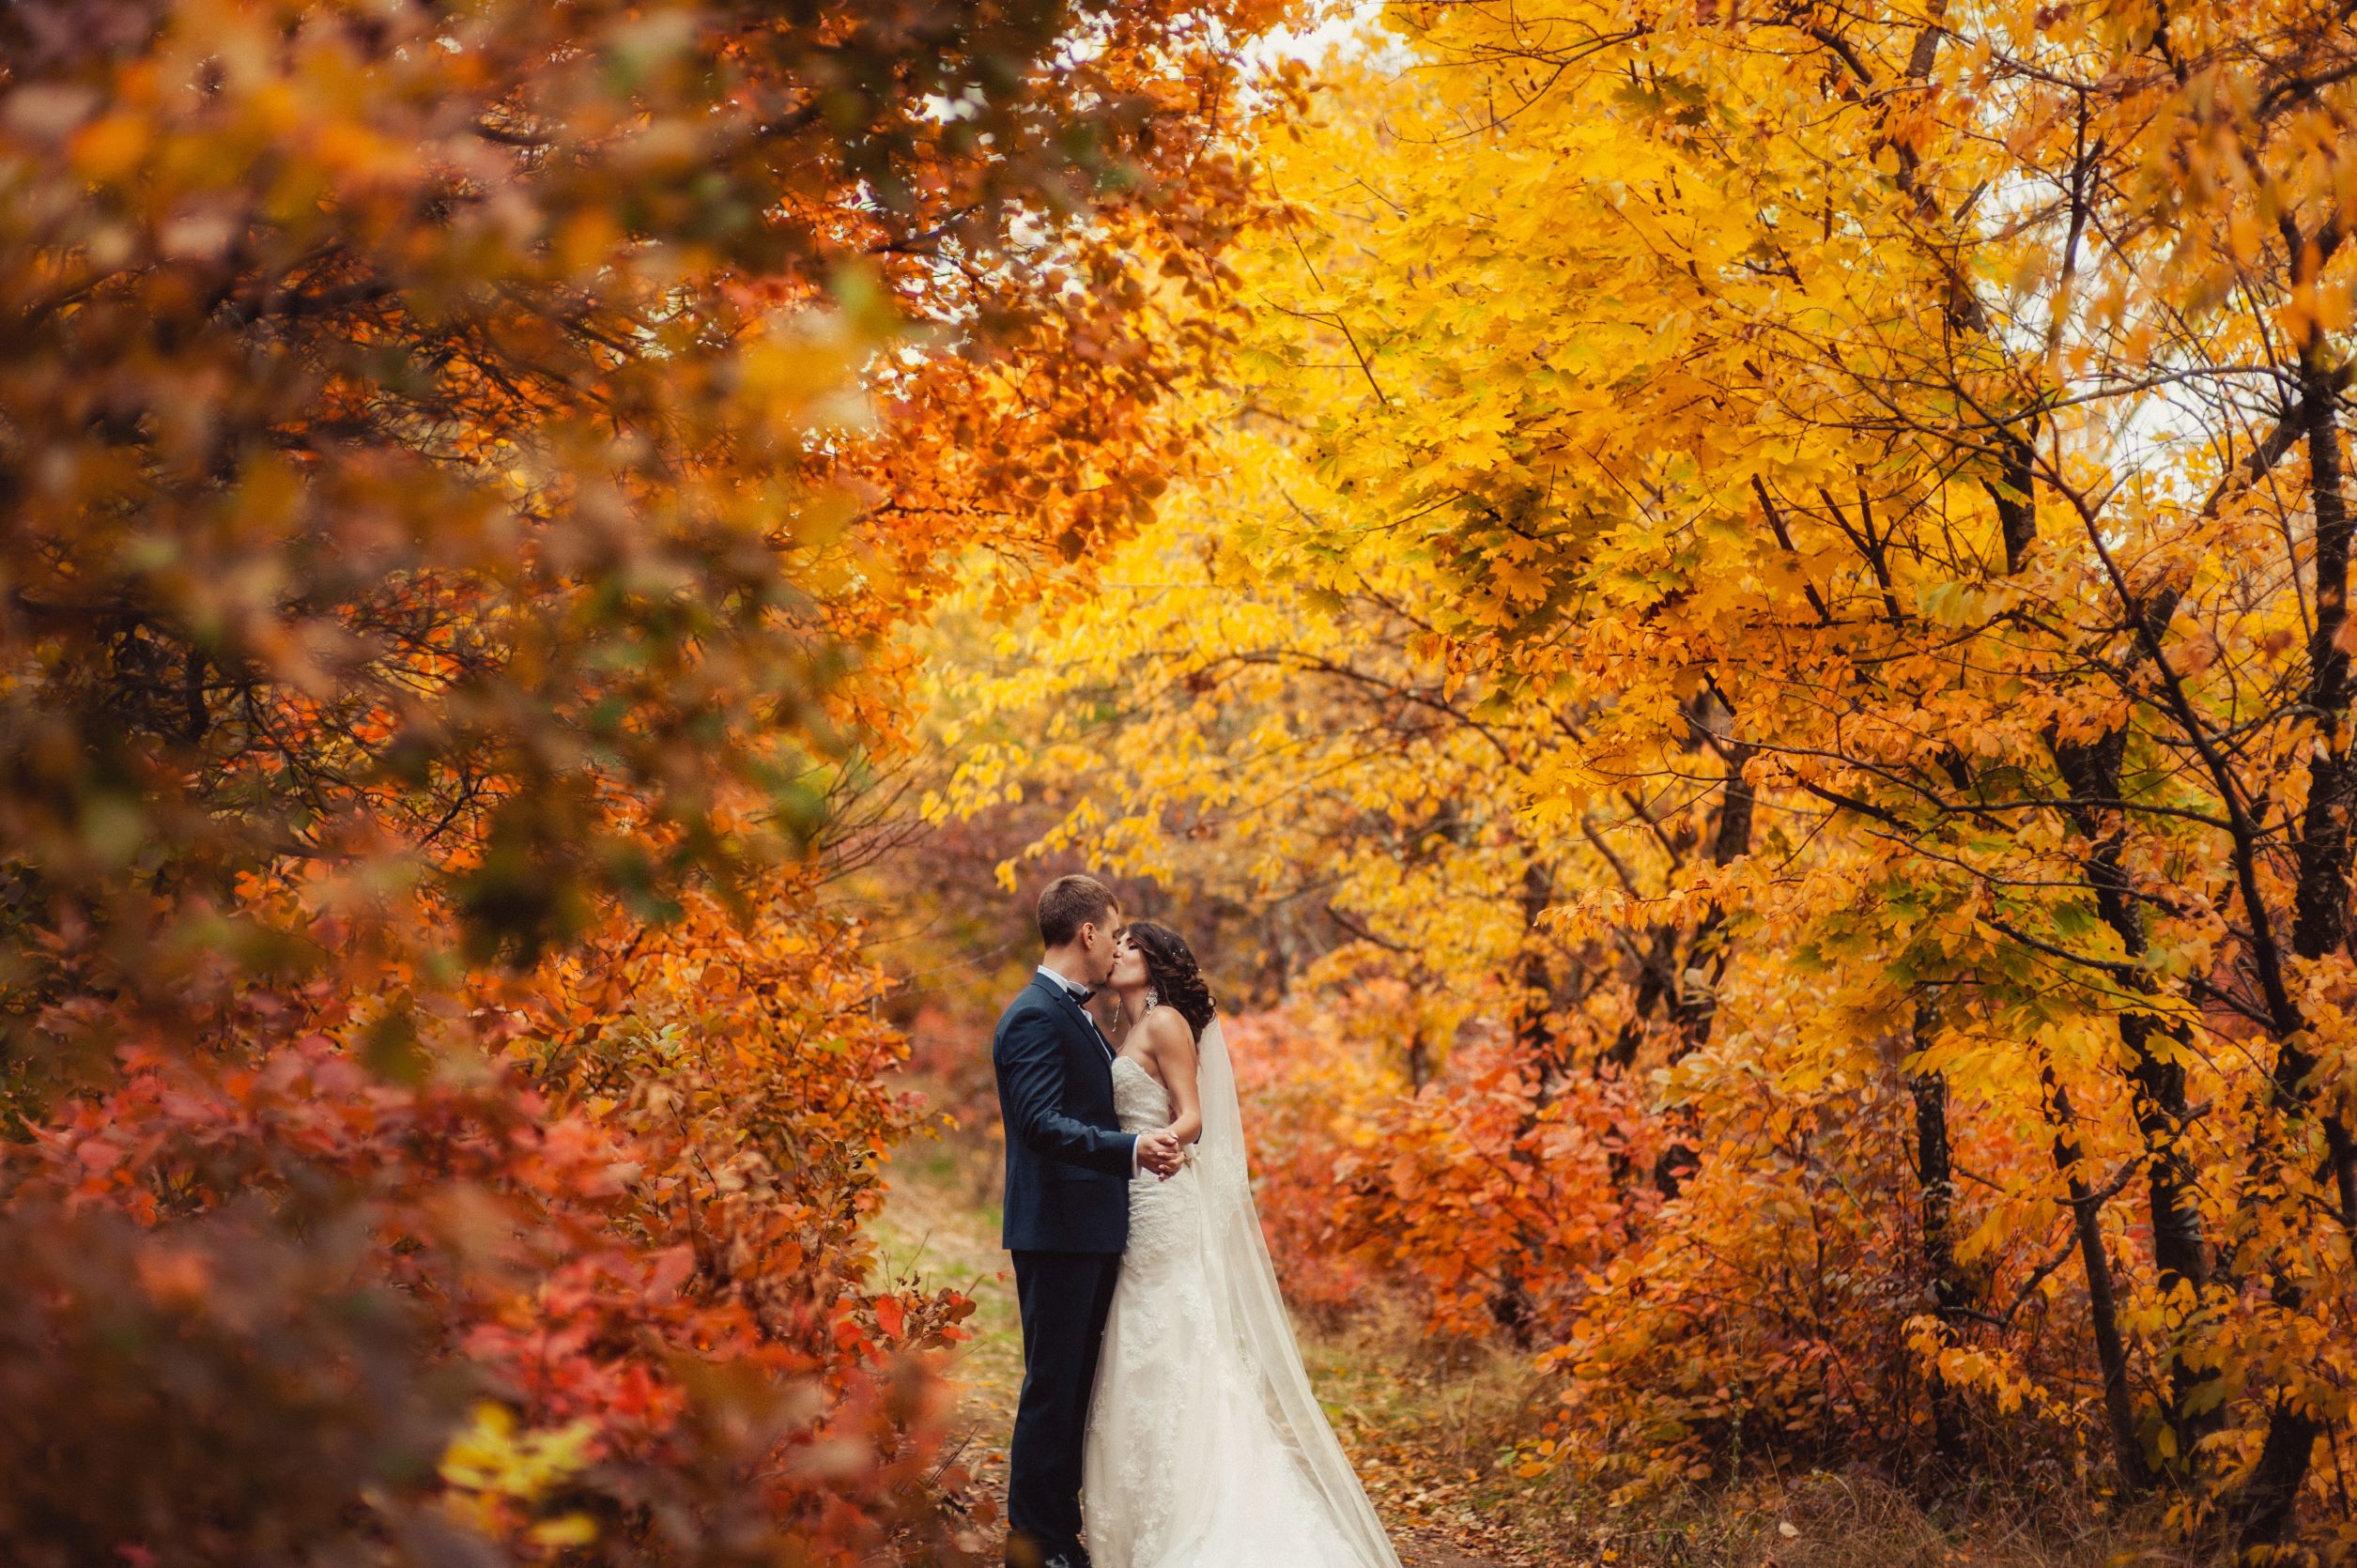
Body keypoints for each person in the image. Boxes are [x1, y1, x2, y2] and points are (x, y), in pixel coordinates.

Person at [1079, 918, 1401, 1568]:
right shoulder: (1127, 1027)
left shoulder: (1166, 1021)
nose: (1119, 951)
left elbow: (1191, 1114)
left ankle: (1197, 1507)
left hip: (1163, 1197)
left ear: (1160, 960)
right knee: (1143, 1338)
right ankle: (1152, 1503)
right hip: (1137, 1196)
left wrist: (1165, 1143)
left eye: (1132, 945)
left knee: (1168, 1334)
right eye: (1116, 943)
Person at [993, 874, 1183, 1568]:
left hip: (1089, 1230)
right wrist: (1130, 1148)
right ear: (1089, 933)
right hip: (1058, 1231)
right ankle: (1035, 1541)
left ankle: (1058, 1533)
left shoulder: (1075, 1013)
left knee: (1075, 1385)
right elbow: (1042, 1125)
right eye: (1115, 930)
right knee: (1052, 1384)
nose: (1118, 946)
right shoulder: (1035, 1015)